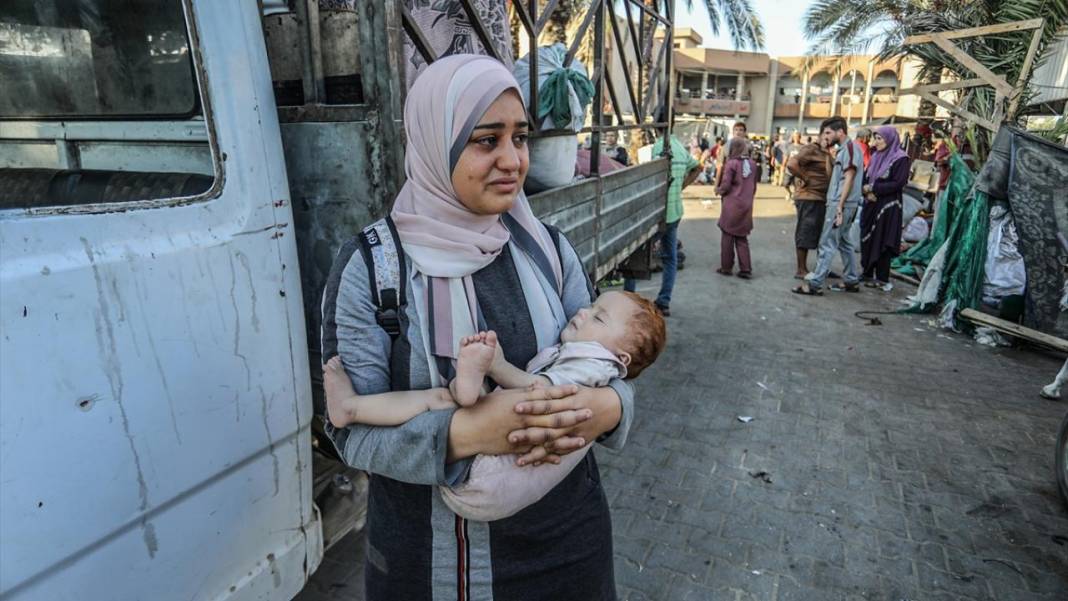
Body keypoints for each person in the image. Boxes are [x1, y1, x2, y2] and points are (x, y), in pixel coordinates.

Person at [321, 55, 635, 600]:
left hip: (569, 545)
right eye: (487, 140)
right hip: (435, 561)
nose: (512, 160)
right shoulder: (374, 268)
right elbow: (348, 431)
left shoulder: (547, 249)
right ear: (433, 142)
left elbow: (608, 363)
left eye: (520, 138)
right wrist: (466, 435)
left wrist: (610, 411)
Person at [323, 290, 666, 522]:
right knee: (443, 400)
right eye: (592, 306)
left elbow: (541, 395)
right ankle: (357, 408)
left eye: (598, 317)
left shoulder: (595, 362)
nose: (582, 311)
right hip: (475, 482)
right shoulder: (587, 352)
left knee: (442, 401)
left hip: (492, 481)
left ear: (620, 357)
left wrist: (499, 367)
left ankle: (460, 389)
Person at [624, 129, 701, 316]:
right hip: (674, 212)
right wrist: (680, 187)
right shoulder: (680, 148)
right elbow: (698, 167)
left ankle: (628, 301)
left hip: (656, 214)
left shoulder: (658, 147)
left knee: (635, 255)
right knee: (670, 258)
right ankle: (664, 301)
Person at [793, 117, 863, 295]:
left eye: (828, 132)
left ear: (840, 132)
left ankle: (815, 284)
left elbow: (849, 177)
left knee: (827, 243)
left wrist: (839, 205)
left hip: (841, 204)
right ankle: (851, 280)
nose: (826, 136)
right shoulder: (841, 151)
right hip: (841, 203)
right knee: (845, 243)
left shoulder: (850, 148)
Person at [860, 126, 909, 291]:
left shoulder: (901, 158)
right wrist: (866, 192)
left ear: (889, 139)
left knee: (882, 240)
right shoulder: (875, 156)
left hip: (888, 206)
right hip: (871, 204)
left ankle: (881, 278)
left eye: (880, 138)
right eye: (876, 138)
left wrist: (874, 188)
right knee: (868, 237)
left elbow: (898, 182)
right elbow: (864, 178)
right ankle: (866, 272)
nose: (877, 142)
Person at [785, 134, 833, 279]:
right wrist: (806, 178)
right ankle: (801, 270)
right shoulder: (811, 149)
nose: (828, 138)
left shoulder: (826, 152)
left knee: (818, 234)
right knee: (805, 231)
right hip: (809, 197)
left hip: (820, 198)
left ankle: (820, 268)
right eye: (827, 134)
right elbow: (792, 164)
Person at [715, 138, 758, 278]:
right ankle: (746, 269)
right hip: (746, 205)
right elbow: (754, 186)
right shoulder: (752, 164)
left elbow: (726, 185)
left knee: (727, 236)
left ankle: (726, 267)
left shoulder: (731, 164)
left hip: (732, 205)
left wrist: (719, 190)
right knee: (742, 237)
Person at [715, 122, 748, 188]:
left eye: (741, 130)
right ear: (733, 132)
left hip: (744, 182)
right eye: (736, 130)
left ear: (744, 133)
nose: (738, 132)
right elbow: (720, 166)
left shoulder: (748, 147)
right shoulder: (726, 147)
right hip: (728, 180)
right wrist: (717, 185)